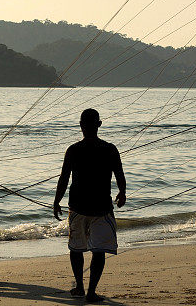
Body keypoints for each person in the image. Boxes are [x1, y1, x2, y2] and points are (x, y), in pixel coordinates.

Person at [54, 108, 126, 304]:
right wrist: (122, 192)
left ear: (80, 126)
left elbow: (63, 179)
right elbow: (119, 174)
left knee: (76, 249)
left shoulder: (73, 150)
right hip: (101, 207)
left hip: (78, 206)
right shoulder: (110, 149)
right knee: (99, 250)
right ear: (99, 124)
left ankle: (79, 286)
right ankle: (91, 292)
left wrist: (56, 201)